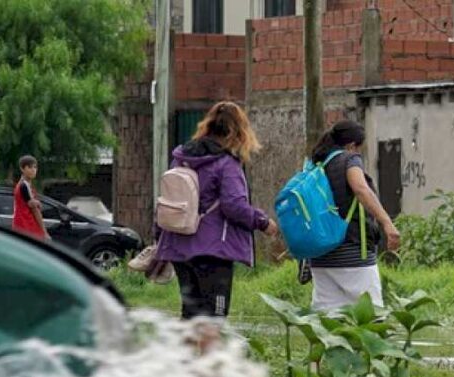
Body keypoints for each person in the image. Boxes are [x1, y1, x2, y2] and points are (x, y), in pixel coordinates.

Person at [155, 101, 278, 322]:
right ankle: (210, 357)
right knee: (214, 318)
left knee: (190, 315)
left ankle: (183, 357)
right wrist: (262, 221)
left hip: (180, 247)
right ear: (238, 131)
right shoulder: (226, 164)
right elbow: (234, 206)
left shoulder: (181, 158)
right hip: (212, 250)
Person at [305, 119, 400, 311]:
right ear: (351, 145)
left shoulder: (316, 165)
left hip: (320, 257)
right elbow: (361, 189)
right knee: (371, 317)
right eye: (359, 148)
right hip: (353, 255)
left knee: (329, 322)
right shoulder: (349, 159)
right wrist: (387, 223)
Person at [11, 155, 50, 241]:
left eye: (35, 167)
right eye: (30, 167)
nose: (33, 170)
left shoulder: (22, 184)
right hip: (26, 226)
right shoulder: (24, 185)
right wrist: (45, 232)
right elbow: (35, 210)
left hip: (21, 225)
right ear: (22, 169)